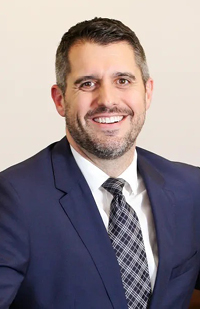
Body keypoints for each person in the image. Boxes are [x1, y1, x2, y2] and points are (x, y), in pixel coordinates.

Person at [0, 17, 199, 309]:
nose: (107, 99)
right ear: (60, 100)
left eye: (123, 80)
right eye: (87, 83)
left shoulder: (191, 189)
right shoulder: (13, 200)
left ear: (147, 92)